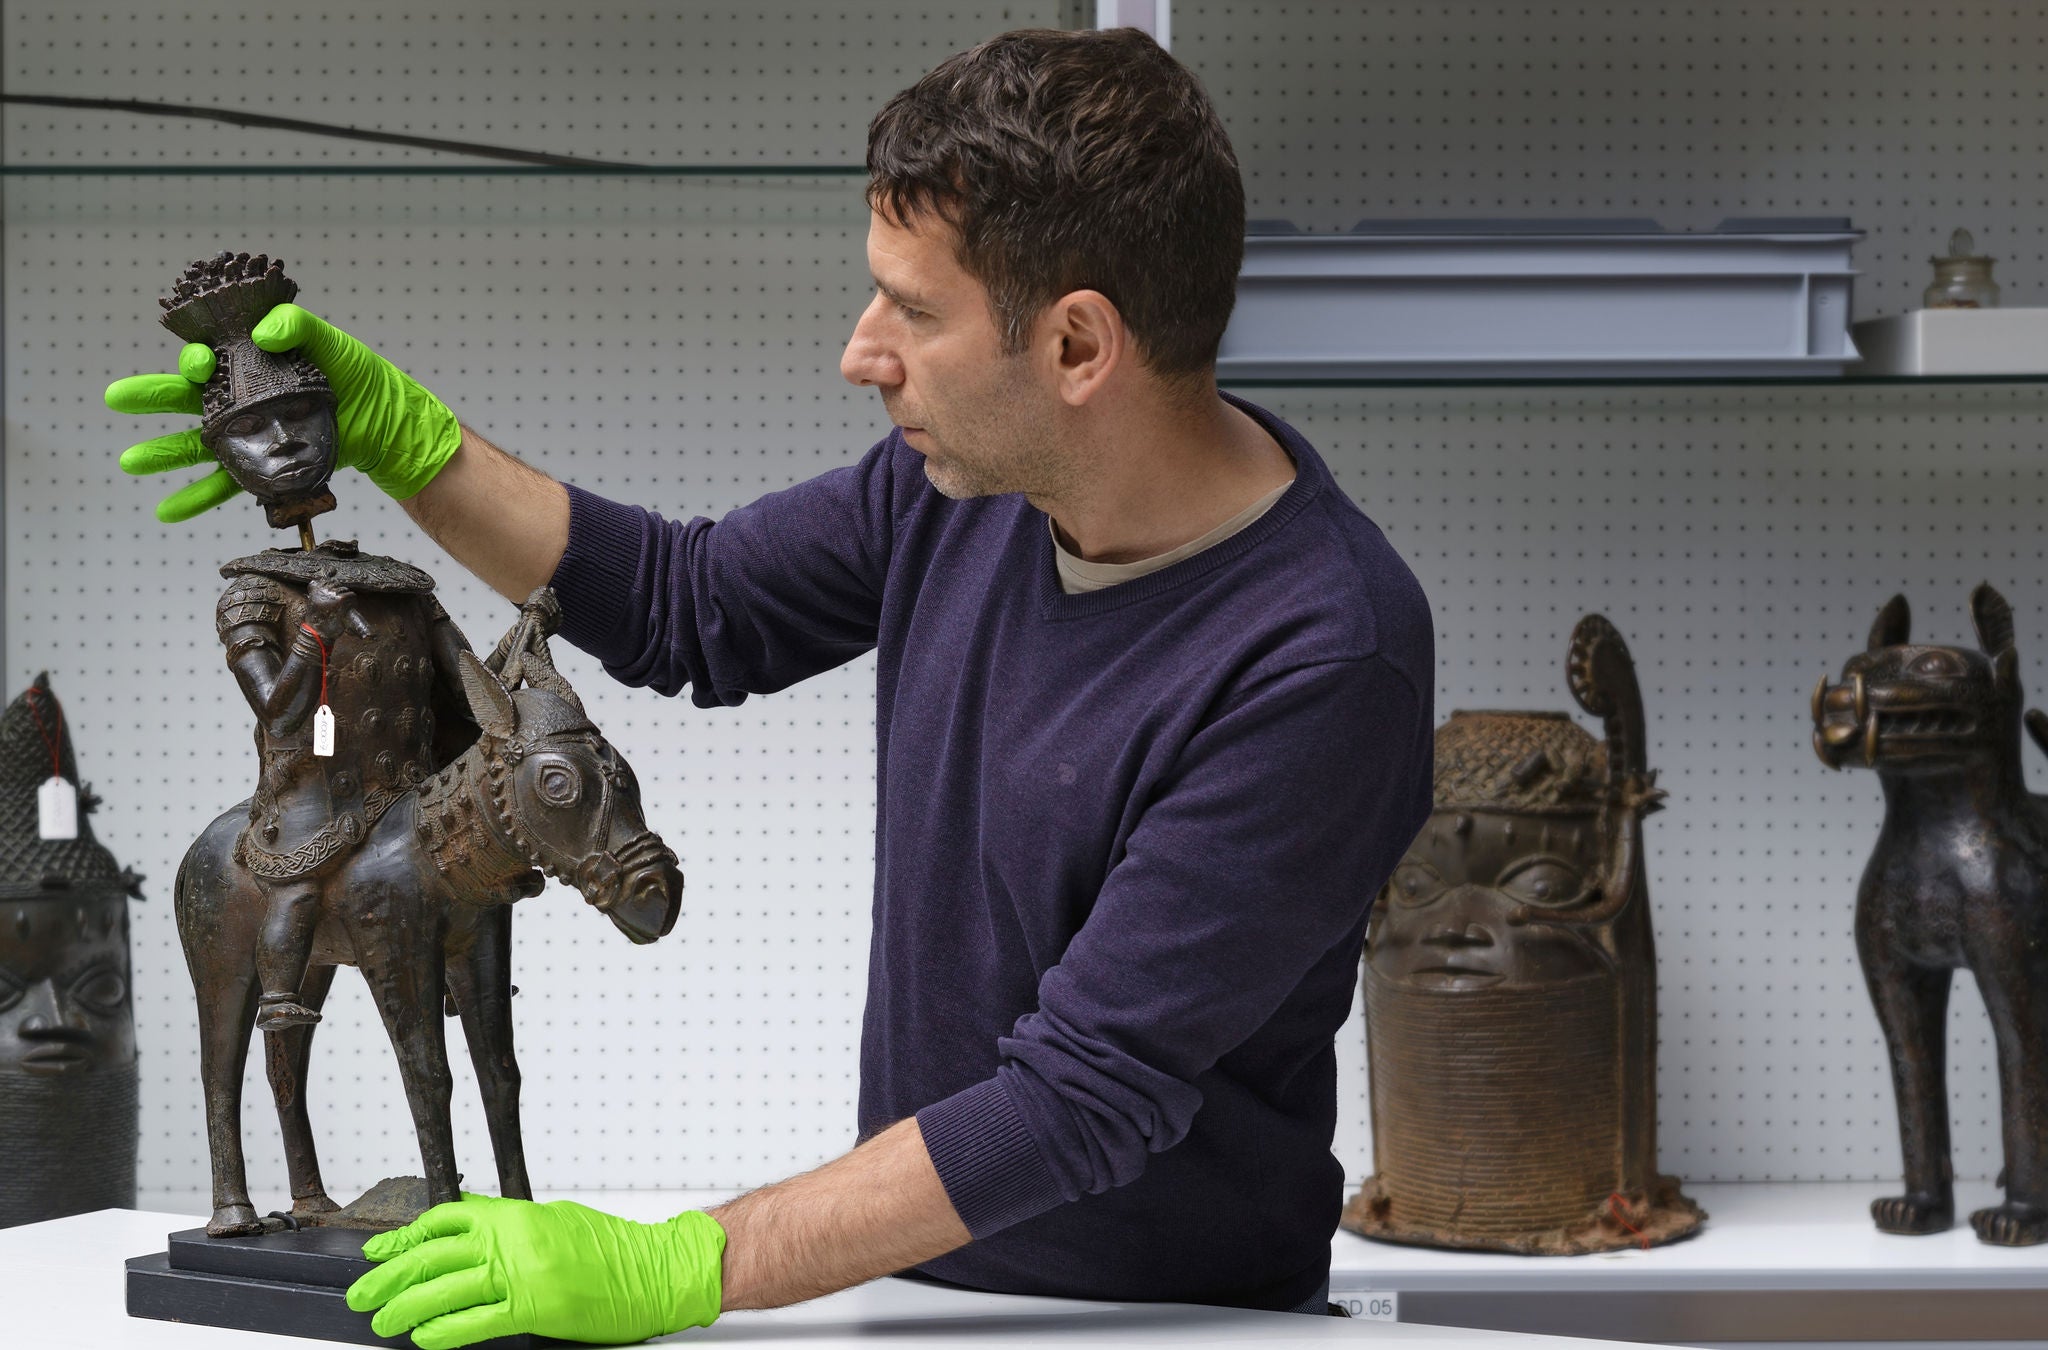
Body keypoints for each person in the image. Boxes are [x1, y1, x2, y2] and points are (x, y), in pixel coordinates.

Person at [109, 26, 1434, 1349]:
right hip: (913, 1290)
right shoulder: (960, 491)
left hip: (1172, 1324)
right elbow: (694, 605)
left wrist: (678, 1263)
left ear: (1080, 345)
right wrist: (402, 438)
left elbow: (1078, 1096)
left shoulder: (1319, 655)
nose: (865, 351)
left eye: (914, 311)